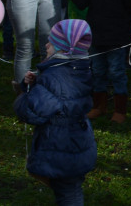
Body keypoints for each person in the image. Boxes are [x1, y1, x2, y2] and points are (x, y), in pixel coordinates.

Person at [14, 19, 97, 205]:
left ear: (62, 49)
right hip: (78, 140)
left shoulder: (54, 77)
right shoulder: (80, 69)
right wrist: (36, 83)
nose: (46, 44)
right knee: (71, 188)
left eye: (51, 42)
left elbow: (31, 112)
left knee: (67, 193)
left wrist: (24, 94)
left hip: (61, 145)